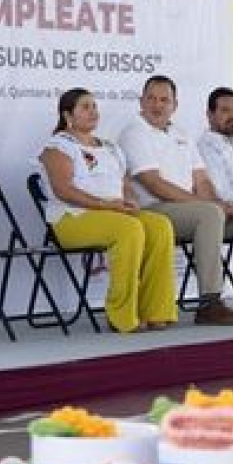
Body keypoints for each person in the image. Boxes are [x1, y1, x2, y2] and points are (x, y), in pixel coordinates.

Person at [117, 75, 233, 325]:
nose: (157, 105)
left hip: (190, 210)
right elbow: (154, 184)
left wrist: (220, 203)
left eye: (165, 100)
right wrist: (206, 205)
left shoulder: (181, 133)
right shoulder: (134, 132)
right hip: (154, 210)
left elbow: (202, 181)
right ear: (141, 101)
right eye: (151, 98)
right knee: (209, 213)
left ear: (175, 105)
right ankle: (210, 302)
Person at [38, 89, 177, 334]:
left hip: (113, 212)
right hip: (72, 218)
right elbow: (63, 190)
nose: (93, 111)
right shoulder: (58, 146)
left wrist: (130, 200)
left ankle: (155, 311)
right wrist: (106, 205)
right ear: (67, 114)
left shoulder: (110, 147)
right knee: (129, 228)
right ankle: (121, 315)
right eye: (85, 107)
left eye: (94, 106)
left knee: (159, 225)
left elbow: (124, 186)